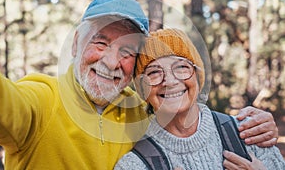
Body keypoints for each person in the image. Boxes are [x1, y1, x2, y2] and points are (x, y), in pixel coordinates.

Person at [0, 0, 279, 170]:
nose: (112, 62)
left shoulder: (140, 110)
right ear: (76, 43)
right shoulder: (39, 101)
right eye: (100, 42)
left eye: (126, 51)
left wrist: (257, 123)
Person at [114, 28, 285, 170]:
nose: (170, 81)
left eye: (181, 67)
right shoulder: (133, 164)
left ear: (197, 75)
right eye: (154, 72)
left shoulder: (249, 135)